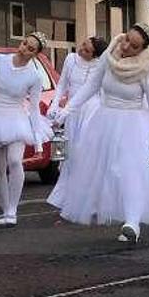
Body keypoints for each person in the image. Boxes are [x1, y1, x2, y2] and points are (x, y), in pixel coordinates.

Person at [51, 23, 149, 243]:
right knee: (107, 170)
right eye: (126, 40)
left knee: (130, 170)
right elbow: (90, 87)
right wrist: (66, 111)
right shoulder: (108, 56)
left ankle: (132, 222)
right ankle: (110, 208)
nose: (126, 47)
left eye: (133, 46)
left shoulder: (146, 69)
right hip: (105, 119)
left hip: (133, 123)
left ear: (142, 50)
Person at [0, 31, 54, 227]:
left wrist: (37, 140)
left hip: (17, 119)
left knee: (15, 161)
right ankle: (5, 209)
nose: (25, 49)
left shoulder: (34, 76)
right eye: (25, 43)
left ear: (35, 54)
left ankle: (13, 210)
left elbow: (34, 108)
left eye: (31, 49)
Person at [46, 36, 109, 208]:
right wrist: (55, 104)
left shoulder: (100, 67)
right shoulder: (71, 59)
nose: (82, 50)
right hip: (73, 112)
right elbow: (61, 85)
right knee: (71, 153)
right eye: (83, 45)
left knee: (87, 153)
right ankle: (68, 194)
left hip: (92, 112)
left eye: (87, 50)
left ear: (96, 55)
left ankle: (90, 195)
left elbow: (104, 93)